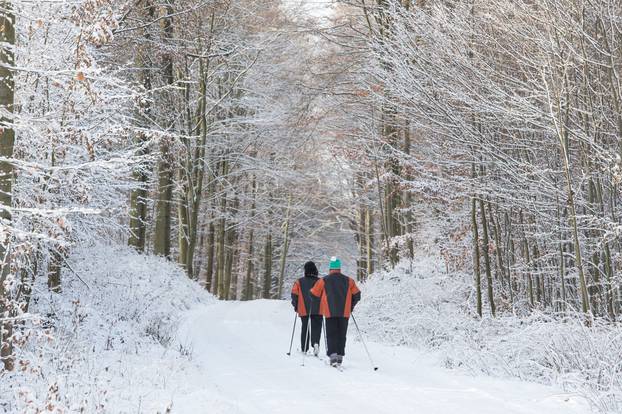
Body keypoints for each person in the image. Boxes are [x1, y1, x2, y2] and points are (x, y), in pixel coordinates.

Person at [310, 256, 361, 367]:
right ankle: (339, 357)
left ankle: (332, 356)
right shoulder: (349, 281)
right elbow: (357, 295)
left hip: (329, 312)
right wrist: (350, 306)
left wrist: (319, 301)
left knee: (331, 334)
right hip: (344, 312)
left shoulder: (324, 280)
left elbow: (313, 294)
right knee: (341, 334)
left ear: (330, 268)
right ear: (339, 268)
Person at [291, 261, 323, 356]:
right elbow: (325, 294)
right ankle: (315, 343)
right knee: (316, 326)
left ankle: (304, 348)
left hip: (303, 308)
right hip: (318, 308)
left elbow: (294, 295)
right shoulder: (320, 281)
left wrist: (296, 305)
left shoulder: (299, 281)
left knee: (305, 327)